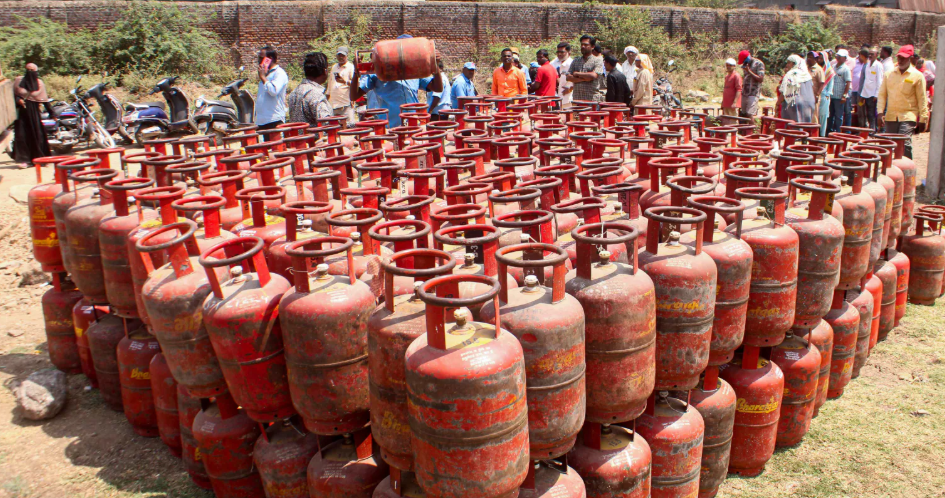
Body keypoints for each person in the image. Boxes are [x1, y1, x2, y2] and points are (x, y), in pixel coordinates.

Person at [350, 35, 443, 129]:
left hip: (413, 125)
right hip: (389, 127)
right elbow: (354, 96)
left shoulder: (415, 72)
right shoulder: (378, 72)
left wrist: (435, 65)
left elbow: (437, 88)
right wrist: (356, 73)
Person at [877, 45, 928, 159]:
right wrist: (880, 113)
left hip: (908, 115)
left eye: (903, 58)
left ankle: (906, 171)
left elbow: (922, 98)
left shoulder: (917, 76)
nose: (900, 60)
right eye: (899, 57)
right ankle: (889, 170)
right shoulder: (889, 75)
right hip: (891, 115)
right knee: (889, 143)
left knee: (904, 143)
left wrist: (924, 119)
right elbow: (882, 95)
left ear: (910, 58)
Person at [11, 63, 50, 168]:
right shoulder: (18, 81)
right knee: (22, 137)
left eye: (32, 70)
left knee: (38, 136)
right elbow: (12, 95)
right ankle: (25, 161)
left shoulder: (40, 84)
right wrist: (18, 100)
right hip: (22, 115)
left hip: (35, 115)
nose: (30, 72)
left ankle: (41, 159)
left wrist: (52, 113)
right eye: (28, 69)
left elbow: (45, 100)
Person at [287, 52, 333, 126]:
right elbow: (327, 123)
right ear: (325, 71)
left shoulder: (294, 92)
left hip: (298, 136)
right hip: (315, 137)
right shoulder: (315, 94)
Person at [255, 46, 289, 133]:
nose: (259, 61)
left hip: (273, 120)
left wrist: (262, 77)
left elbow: (273, 91)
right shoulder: (267, 73)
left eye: (261, 58)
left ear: (269, 59)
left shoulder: (279, 73)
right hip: (261, 121)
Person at [567, 35, 604, 102]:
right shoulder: (576, 61)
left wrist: (576, 73)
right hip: (577, 99)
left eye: (586, 45)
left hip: (592, 99)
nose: (583, 46)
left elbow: (593, 75)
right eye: (582, 44)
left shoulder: (597, 61)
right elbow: (568, 77)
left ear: (592, 47)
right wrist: (586, 78)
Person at [779, 54, 815, 123]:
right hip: (810, 103)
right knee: (806, 126)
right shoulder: (807, 75)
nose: (787, 65)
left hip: (795, 103)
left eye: (789, 63)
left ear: (794, 64)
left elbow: (784, 92)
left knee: (794, 127)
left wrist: (778, 103)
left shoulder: (791, 74)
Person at [326, 47, 356, 126]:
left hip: (345, 103)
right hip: (334, 103)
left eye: (343, 56)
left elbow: (355, 84)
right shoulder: (334, 67)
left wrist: (344, 81)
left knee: (349, 126)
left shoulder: (350, 67)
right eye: (339, 56)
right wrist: (327, 96)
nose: (341, 57)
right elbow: (330, 82)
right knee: (335, 127)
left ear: (346, 56)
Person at [857, 46, 884, 130]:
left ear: (876, 55)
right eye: (869, 54)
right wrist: (862, 95)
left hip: (874, 94)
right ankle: (870, 129)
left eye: (872, 54)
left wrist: (876, 95)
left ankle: (874, 129)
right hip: (866, 93)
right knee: (868, 113)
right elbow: (866, 81)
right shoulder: (867, 65)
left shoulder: (878, 65)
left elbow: (879, 81)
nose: (870, 56)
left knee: (873, 113)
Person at [828, 49, 852, 134]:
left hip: (839, 96)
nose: (837, 58)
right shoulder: (833, 66)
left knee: (839, 116)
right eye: (837, 56)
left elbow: (848, 82)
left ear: (845, 58)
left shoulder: (846, 69)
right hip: (832, 95)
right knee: (830, 115)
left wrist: (844, 95)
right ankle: (830, 132)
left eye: (840, 56)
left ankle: (838, 133)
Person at [738, 50, 765, 119]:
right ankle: (743, 129)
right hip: (745, 92)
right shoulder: (745, 65)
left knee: (749, 114)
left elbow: (760, 79)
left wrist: (749, 71)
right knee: (742, 114)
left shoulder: (759, 64)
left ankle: (752, 129)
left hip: (753, 93)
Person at [817, 51, 836, 136]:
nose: (819, 60)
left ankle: (822, 135)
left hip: (824, 96)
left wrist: (826, 95)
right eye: (818, 58)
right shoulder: (816, 69)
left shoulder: (829, 71)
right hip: (815, 95)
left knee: (823, 116)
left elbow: (830, 87)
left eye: (821, 58)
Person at [850, 47, 869, 127]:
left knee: (864, 112)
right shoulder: (857, 63)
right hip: (857, 91)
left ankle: (863, 129)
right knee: (858, 112)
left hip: (864, 93)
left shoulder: (868, 65)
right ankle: (860, 128)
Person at [552, 42, 574, 108]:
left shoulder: (572, 63)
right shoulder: (555, 62)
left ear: (568, 53)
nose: (559, 54)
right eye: (558, 52)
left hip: (569, 96)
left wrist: (570, 88)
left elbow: (577, 79)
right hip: (558, 95)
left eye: (562, 52)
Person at [807, 51, 825, 124]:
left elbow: (822, 83)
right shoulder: (806, 68)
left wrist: (817, 95)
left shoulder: (819, 69)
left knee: (814, 116)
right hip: (806, 95)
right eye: (808, 57)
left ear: (816, 59)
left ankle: (814, 132)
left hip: (814, 95)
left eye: (811, 57)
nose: (809, 59)